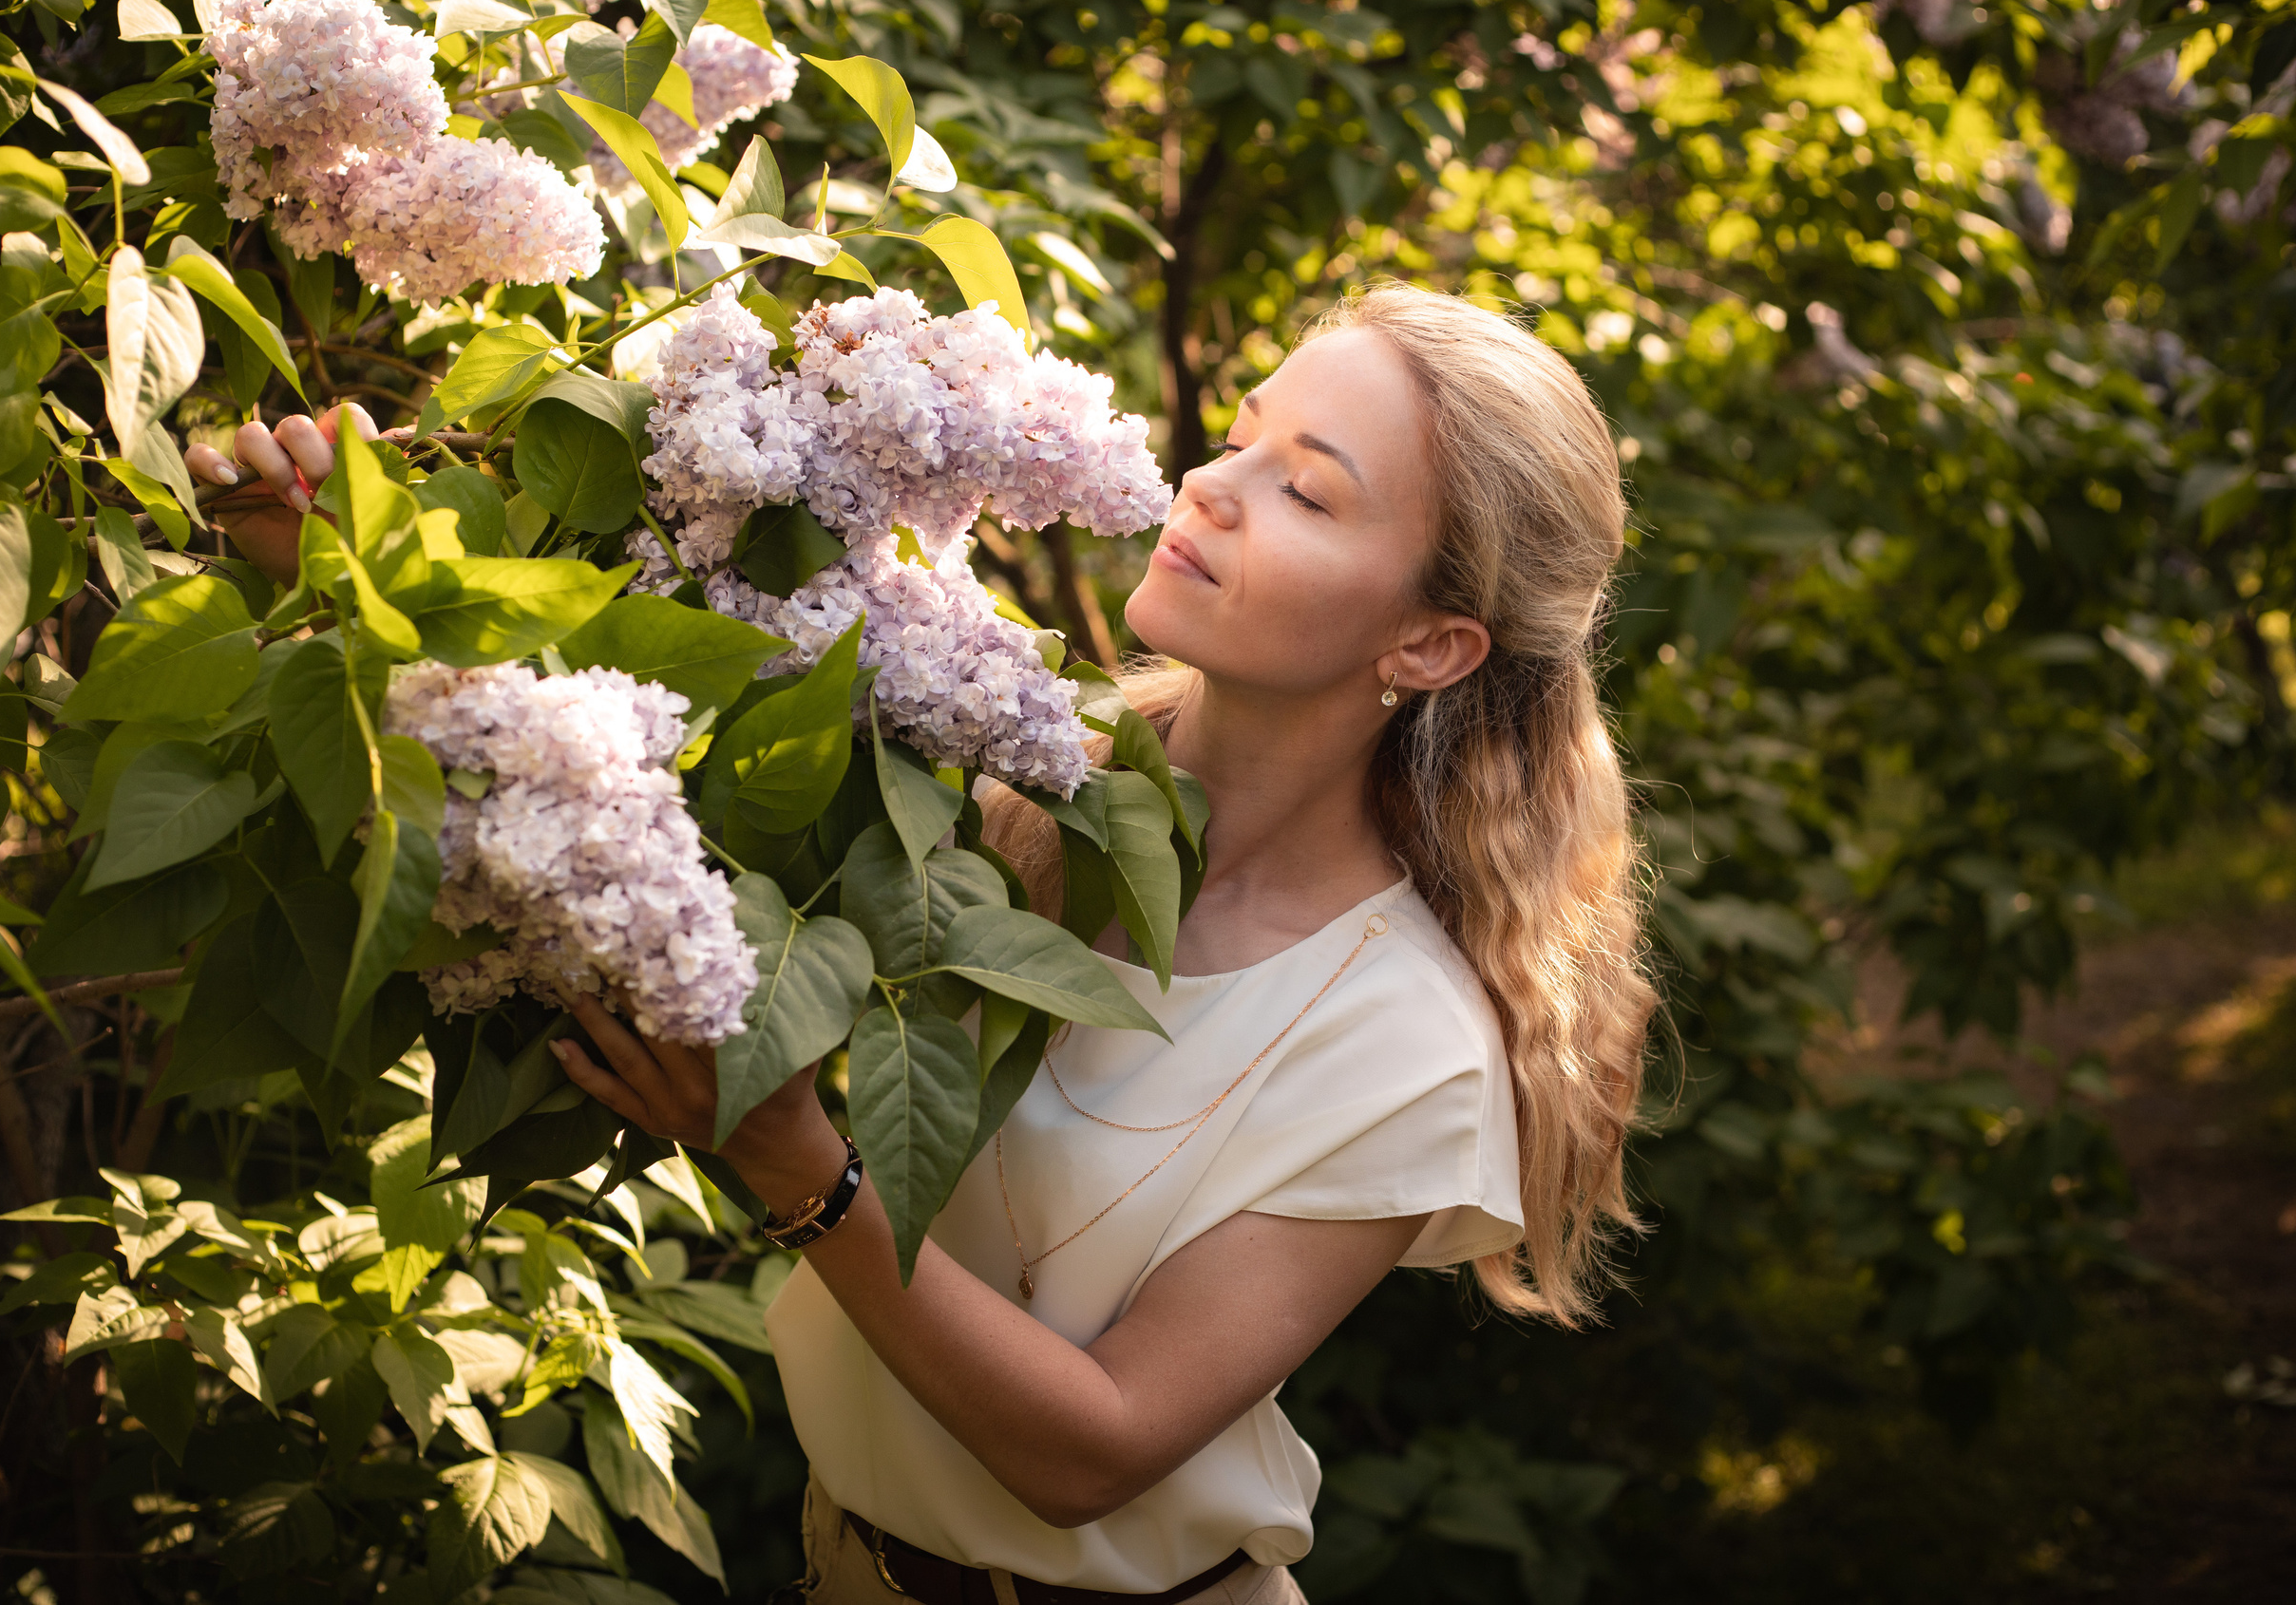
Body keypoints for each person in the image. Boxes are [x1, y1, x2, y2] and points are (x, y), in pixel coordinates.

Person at [188, 279, 1655, 1605]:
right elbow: (572, 809)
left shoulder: (1405, 1042)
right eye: (1247, 435)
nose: (1210, 486)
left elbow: (1098, 1454)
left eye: (1310, 495)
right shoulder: (975, 772)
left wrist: (791, 1160)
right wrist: (336, 580)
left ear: (1430, 645)